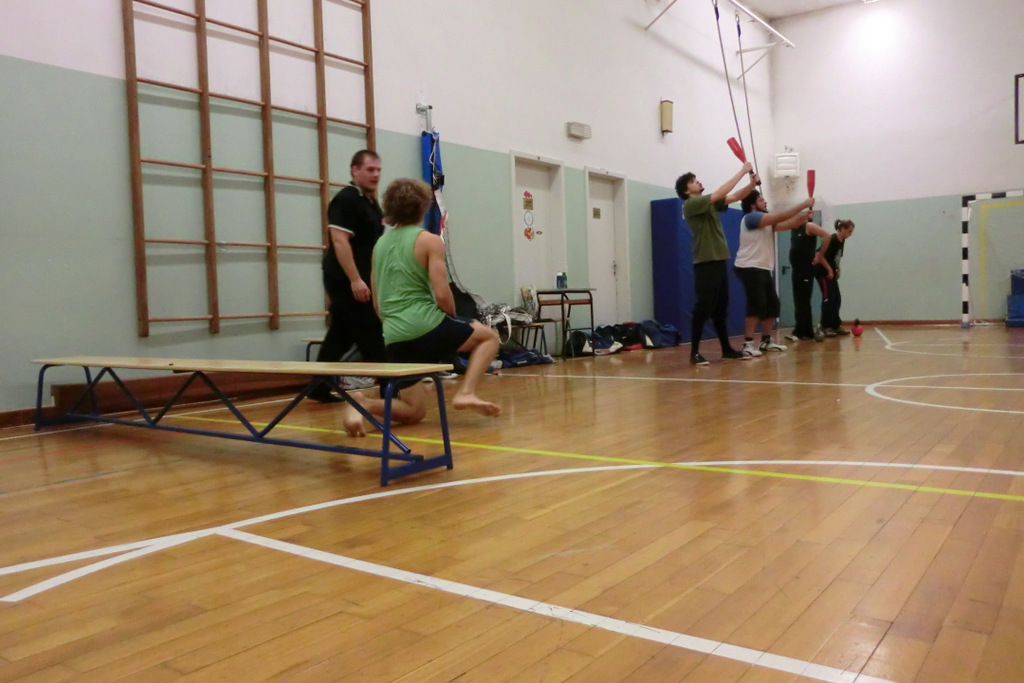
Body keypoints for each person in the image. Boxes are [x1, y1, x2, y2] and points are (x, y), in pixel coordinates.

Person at [342, 178, 501, 436]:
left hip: (394, 334)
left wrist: (394, 326)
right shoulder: (429, 241)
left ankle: (364, 404)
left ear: (390, 209)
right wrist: (453, 324)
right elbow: (442, 293)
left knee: (414, 411)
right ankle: (466, 392)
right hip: (426, 324)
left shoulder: (379, 246)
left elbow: (377, 300)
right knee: (489, 337)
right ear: (423, 208)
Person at [310, 150, 386, 403]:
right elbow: (340, 241)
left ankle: (319, 385)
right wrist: (355, 279)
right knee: (371, 331)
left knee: (341, 335)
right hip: (345, 278)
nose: (376, 174)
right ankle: (391, 386)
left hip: (361, 276)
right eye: (370, 169)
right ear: (355, 170)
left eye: (378, 170)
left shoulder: (369, 201)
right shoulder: (346, 199)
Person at [676, 162, 759, 365]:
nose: (698, 182)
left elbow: (733, 196)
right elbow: (721, 192)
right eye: (693, 181)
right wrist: (742, 171)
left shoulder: (709, 203)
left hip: (719, 261)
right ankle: (694, 353)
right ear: (687, 191)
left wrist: (750, 185)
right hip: (705, 262)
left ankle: (726, 350)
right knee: (703, 307)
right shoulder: (691, 204)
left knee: (721, 308)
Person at [735, 190, 815, 356]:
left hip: (763, 267)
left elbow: (788, 224)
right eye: (760, 200)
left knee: (772, 305)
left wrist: (803, 217)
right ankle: (747, 344)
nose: (765, 202)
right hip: (749, 267)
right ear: (752, 205)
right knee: (756, 305)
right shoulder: (751, 218)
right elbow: (779, 217)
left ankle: (766, 341)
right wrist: (803, 204)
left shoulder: (765, 223)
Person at [786, 218, 832, 342]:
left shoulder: (809, 226)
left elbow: (827, 236)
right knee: (799, 300)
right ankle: (805, 331)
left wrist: (820, 256)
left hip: (806, 269)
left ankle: (801, 332)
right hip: (796, 269)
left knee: (803, 300)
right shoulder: (793, 229)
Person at [814, 219, 856, 337]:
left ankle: (835, 325)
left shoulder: (842, 241)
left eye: (851, 232)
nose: (850, 234)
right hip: (822, 272)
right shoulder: (832, 239)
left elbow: (836, 258)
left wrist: (837, 269)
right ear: (841, 229)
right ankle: (826, 327)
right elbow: (819, 255)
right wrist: (829, 269)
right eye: (849, 231)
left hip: (831, 272)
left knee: (836, 298)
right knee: (828, 298)